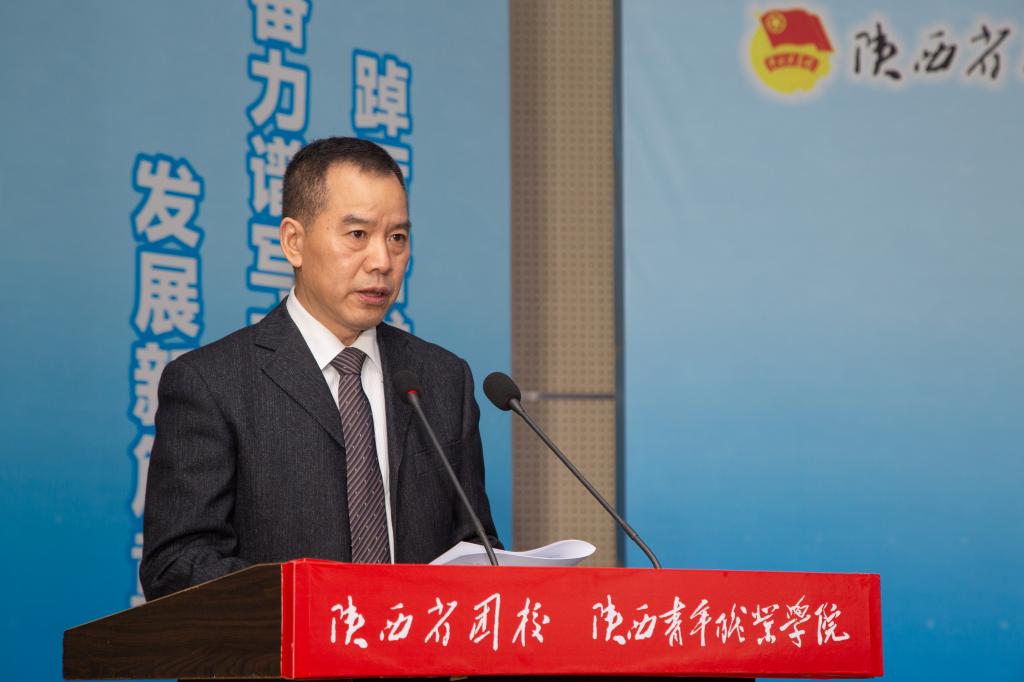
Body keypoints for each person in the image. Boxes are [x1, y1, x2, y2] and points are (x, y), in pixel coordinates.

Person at [140, 137, 500, 600]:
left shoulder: (442, 379)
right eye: (357, 235)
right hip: (281, 645)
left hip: (416, 647)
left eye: (397, 238)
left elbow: (477, 547)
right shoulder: (212, 383)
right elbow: (176, 565)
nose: (382, 261)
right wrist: (320, 606)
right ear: (294, 242)